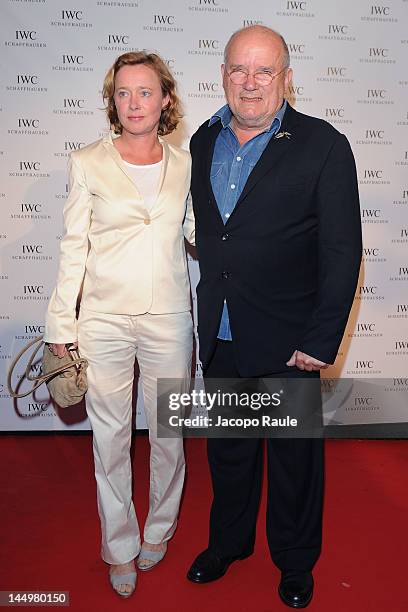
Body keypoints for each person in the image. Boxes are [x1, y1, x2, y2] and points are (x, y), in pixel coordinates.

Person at [186, 25, 362, 608]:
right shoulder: (202, 142)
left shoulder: (323, 144)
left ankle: (294, 562)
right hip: (224, 332)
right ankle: (229, 544)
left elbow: (342, 251)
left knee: (293, 466)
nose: (251, 82)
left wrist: (320, 336)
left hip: (290, 339)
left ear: (287, 76)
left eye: (264, 71)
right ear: (223, 75)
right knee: (228, 453)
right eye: (240, 69)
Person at [44, 51, 195, 598]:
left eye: (146, 92)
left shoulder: (186, 163)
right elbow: (72, 249)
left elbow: (204, 232)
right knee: (109, 438)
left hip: (170, 319)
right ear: (113, 101)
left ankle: (159, 527)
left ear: (165, 100)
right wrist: (60, 326)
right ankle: (119, 545)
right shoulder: (87, 161)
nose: (135, 103)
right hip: (102, 320)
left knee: (169, 435)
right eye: (124, 93)